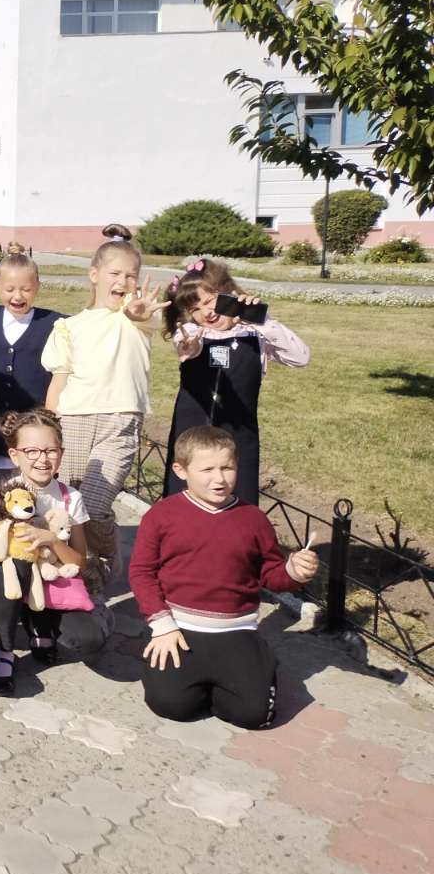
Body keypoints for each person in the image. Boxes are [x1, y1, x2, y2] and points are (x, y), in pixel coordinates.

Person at [132, 426, 319, 729]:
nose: (219, 479)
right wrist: (161, 625)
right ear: (181, 470)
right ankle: (179, 670)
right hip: (178, 628)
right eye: (207, 469)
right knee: (172, 705)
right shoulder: (161, 515)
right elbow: (142, 573)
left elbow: (270, 575)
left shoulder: (253, 519)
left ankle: (253, 667)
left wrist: (292, 572)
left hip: (236, 630)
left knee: (255, 715)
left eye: (227, 467)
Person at [42, 225, 166, 588]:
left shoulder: (139, 318)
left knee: (95, 507)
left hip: (119, 423)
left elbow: (143, 315)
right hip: (72, 421)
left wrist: (138, 313)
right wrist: (49, 427)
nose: (123, 282)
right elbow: (59, 381)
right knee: (67, 508)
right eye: (115, 273)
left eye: (131, 275)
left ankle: (106, 561)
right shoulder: (68, 326)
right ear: (94, 274)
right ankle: (74, 575)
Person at [0, 409, 107, 689]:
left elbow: (80, 562)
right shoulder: (2, 495)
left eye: (50, 450)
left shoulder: (71, 498)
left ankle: (39, 624)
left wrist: (51, 540)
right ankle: (4, 650)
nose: (42, 459)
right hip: (5, 584)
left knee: (88, 639)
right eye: (31, 451)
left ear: (61, 453)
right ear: (14, 455)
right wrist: (10, 538)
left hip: (52, 583)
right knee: (17, 564)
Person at [161, 258, 309, 505]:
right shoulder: (192, 332)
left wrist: (262, 319)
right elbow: (189, 346)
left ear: (229, 293)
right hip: (191, 437)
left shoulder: (255, 334)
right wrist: (191, 348)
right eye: (195, 309)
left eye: (209, 301)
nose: (206, 312)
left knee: (237, 507)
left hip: (238, 440)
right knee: (184, 506)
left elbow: (300, 357)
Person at [0, 248, 64, 484]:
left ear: (37, 287)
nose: (18, 296)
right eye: (10, 289)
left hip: (36, 421)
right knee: (7, 486)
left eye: (26, 289)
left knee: (39, 483)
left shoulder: (55, 323)